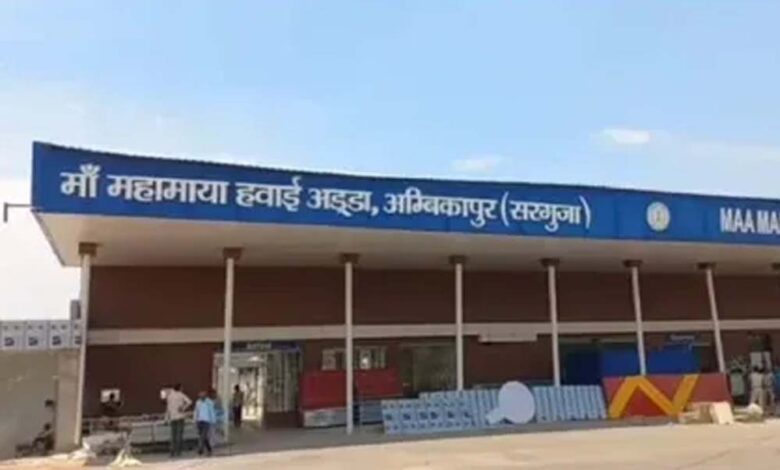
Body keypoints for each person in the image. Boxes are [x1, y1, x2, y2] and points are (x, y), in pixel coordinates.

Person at [165, 384, 192, 458]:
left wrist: (166, 418)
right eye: (182, 388)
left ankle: (172, 451)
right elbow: (189, 402)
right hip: (180, 417)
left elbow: (168, 408)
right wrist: (183, 408)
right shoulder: (181, 394)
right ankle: (178, 451)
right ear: (180, 388)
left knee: (173, 435)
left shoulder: (169, 396)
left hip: (172, 418)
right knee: (179, 435)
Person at [194, 391, 217, 456]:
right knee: (203, 436)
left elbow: (212, 412)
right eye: (200, 397)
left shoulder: (209, 403)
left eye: (202, 397)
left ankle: (200, 449)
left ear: (205, 396)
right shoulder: (198, 402)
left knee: (203, 435)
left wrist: (213, 421)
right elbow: (196, 411)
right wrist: (195, 420)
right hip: (199, 421)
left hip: (207, 421)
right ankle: (209, 449)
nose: (201, 398)